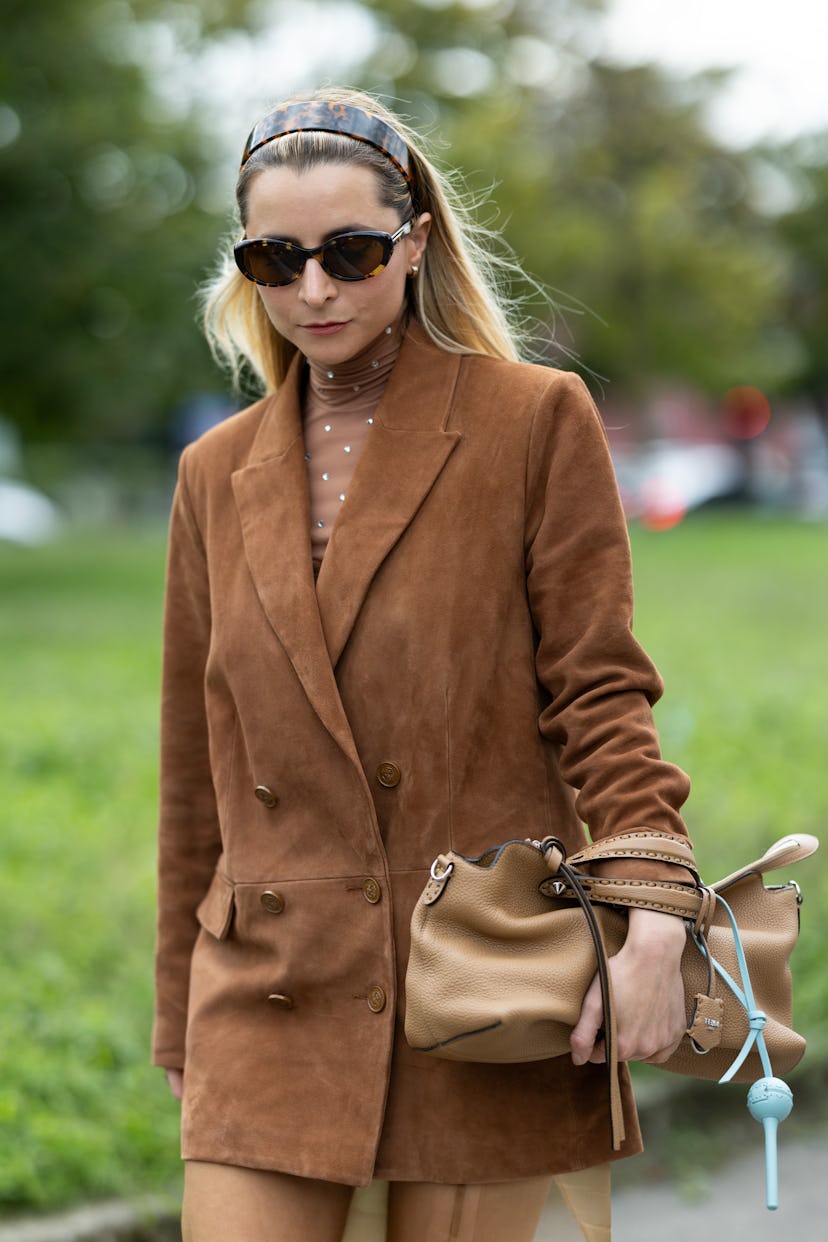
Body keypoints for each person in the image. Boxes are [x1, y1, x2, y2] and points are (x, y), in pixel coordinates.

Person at [152, 86, 694, 1242]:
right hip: (270, 978)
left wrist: (652, 904)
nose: (313, 290)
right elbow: (197, 768)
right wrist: (176, 1019)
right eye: (274, 257)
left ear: (416, 240)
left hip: (478, 965)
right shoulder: (214, 471)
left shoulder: (534, 420)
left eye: (349, 252)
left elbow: (599, 690)